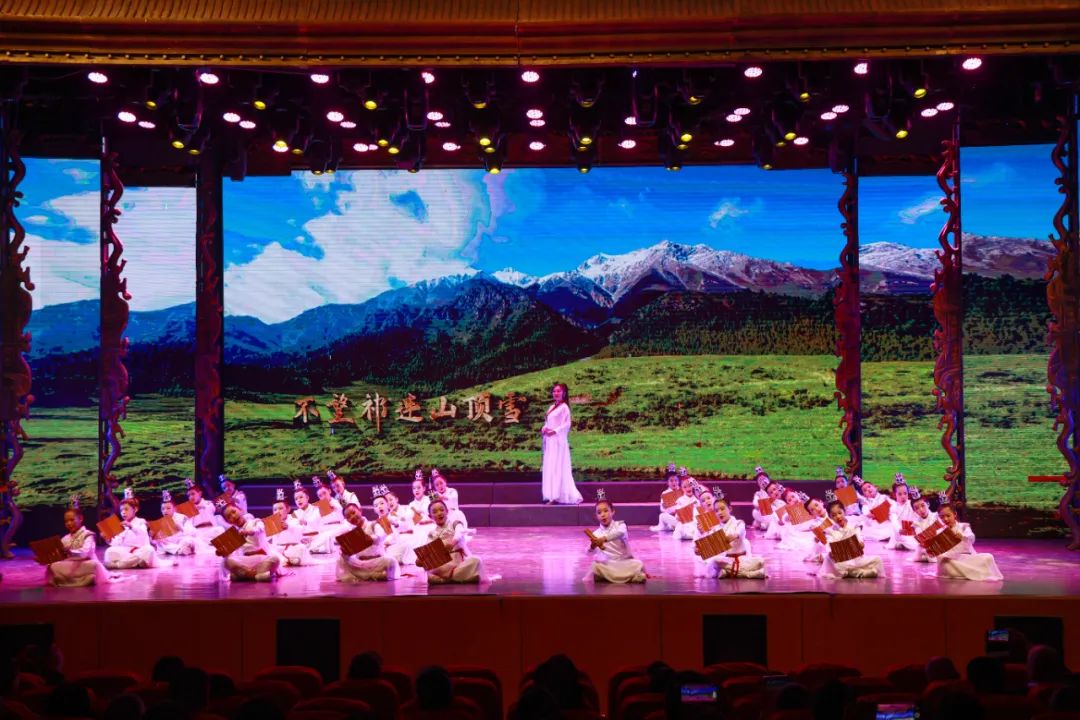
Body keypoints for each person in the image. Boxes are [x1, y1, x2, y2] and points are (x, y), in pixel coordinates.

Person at [45, 496, 110, 587]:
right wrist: (45, 558)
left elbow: (85, 554)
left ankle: (66, 580)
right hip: (70, 565)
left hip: (84, 564)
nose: (69, 523)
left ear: (81, 518)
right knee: (52, 565)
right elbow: (59, 555)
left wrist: (71, 552)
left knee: (93, 565)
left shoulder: (88, 535)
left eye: (72, 520)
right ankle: (80, 580)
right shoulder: (65, 539)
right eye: (66, 521)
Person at [933, 502, 1003, 581]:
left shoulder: (964, 526)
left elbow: (971, 537)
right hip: (951, 560)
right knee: (947, 564)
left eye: (948, 516)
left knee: (988, 557)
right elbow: (939, 552)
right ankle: (969, 571)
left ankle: (963, 571)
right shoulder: (939, 531)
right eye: (942, 517)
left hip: (965, 558)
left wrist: (963, 537)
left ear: (954, 514)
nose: (945, 519)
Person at [587, 490, 646, 583]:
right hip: (608, 565)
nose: (603, 515)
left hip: (623, 563)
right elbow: (588, 552)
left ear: (613, 511)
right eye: (599, 512)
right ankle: (627, 577)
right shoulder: (596, 534)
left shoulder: (621, 525)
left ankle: (609, 577)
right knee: (595, 565)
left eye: (606, 511)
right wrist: (592, 546)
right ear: (596, 515)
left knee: (638, 563)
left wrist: (604, 539)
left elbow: (620, 533)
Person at [818, 499, 884, 579]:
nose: (838, 517)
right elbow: (830, 548)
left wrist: (859, 545)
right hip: (842, 561)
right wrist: (834, 552)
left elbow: (861, 543)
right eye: (834, 515)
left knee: (877, 560)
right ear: (830, 517)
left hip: (856, 559)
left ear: (844, 512)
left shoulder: (854, 525)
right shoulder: (830, 530)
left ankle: (855, 572)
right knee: (830, 559)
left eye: (840, 513)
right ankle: (860, 573)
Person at [422, 499, 483, 583]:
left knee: (475, 561)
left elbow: (459, 533)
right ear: (430, 516)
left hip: (459, 563)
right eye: (435, 512)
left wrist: (452, 543)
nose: (439, 513)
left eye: (442, 510)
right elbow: (427, 550)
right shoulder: (432, 533)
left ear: (447, 511)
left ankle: (444, 579)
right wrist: (421, 560)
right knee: (430, 565)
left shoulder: (455, 523)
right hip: (444, 565)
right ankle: (456, 577)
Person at [541, 382, 583, 505]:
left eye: (558, 391)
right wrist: (544, 428)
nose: (556, 393)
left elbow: (566, 424)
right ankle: (552, 495)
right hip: (550, 442)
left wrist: (555, 431)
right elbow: (548, 422)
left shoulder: (564, 407)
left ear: (564, 393)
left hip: (558, 442)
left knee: (557, 466)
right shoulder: (551, 407)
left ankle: (557, 496)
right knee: (550, 467)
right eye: (554, 391)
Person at [337, 503, 399, 582]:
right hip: (360, 564)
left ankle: (367, 575)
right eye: (348, 517)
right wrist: (344, 551)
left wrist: (371, 538)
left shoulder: (373, 524)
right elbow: (348, 554)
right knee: (341, 559)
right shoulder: (350, 532)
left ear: (360, 510)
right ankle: (373, 575)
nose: (352, 517)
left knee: (391, 561)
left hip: (377, 562)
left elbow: (381, 536)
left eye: (353, 513)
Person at [220, 503, 281, 582]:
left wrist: (249, 532)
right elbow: (225, 554)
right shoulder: (233, 533)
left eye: (234, 512)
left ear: (240, 510)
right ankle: (257, 576)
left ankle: (244, 575)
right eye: (229, 516)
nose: (233, 516)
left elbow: (260, 529)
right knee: (226, 561)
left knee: (275, 559)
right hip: (245, 562)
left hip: (261, 559)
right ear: (228, 521)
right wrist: (222, 551)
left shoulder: (255, 522)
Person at [103, 488, 156, 569]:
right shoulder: (122, 525)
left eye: (126, 509)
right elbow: (117, 543)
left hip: (140, 550)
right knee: (109, 551)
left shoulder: (141, 521)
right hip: (126, 551)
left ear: (135, 509)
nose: (123, 512)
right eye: (121, 510)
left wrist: (131, 526)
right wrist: (108, 539)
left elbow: (143, 533)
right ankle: (135, 563)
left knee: (149, 550)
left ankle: (119, 565)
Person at [371, 484, 416, 566]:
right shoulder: (375, 524)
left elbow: (405, 527)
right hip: (383, 550)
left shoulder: (393, 517)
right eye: (376, 505)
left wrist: (396, 524)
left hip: (394, 546)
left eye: (382, 503)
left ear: (387, 505)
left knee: (407, 546)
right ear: (374, 510)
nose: (379, 506)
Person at [267, 488, 312, 567]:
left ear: (288, 509)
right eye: (275, 509)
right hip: (278, 550)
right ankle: (285, 559)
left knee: (301, 548)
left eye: (280, 508)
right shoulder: (271, 522)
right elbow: (264, 538)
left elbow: (300, 530)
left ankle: (288, 559)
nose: (277, 511)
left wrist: (288, 526)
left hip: (292, 549)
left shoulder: (294, 520)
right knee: (269, 550)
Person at [153, 490, 196, 556]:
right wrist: (157, 540)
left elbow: (193, 532)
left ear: (174, 508)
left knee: (188, 540)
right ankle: (180, 550)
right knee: (161, 544)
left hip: (182, 541)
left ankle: (181, 550)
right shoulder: (161, 522)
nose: (165, 511)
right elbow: (154, 540)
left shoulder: (182, 517)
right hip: (170, 545)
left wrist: (181, 528)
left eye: (168, 508)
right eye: (163, 509)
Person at [310, 477, 345, 554]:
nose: (323, 497)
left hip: (338, 529)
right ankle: (322, 547)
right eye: (320, 495)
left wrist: (334, 508)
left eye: (324, 493)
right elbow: (312, 522)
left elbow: (343, 517)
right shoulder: (318, 507)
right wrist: (322, 510)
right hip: (325, 530)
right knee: (323, 536)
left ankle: (325, 545)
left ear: (329, 491)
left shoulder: (337, 502)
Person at [185, 478, 220, 544]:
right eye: (188, 495)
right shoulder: (189, 510)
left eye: (193, 494)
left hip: (213, 532)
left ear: (200, 493)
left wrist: (200, 507)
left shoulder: (209, 503)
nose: (191, 497)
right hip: (200, 536)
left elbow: (211, 510)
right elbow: (189, 526)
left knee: (219, 530)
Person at [649, 464, 682, 532]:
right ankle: (667, 527)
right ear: (668, 482)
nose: (674, 483)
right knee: (662, 516)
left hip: (681, 518)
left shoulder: (682, 491)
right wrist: (668, 509)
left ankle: (675, 527)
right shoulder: (665, 493)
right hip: (671, 517)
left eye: (676, 480)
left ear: (678, 481)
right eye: (671, 481)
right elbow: (662, 509)